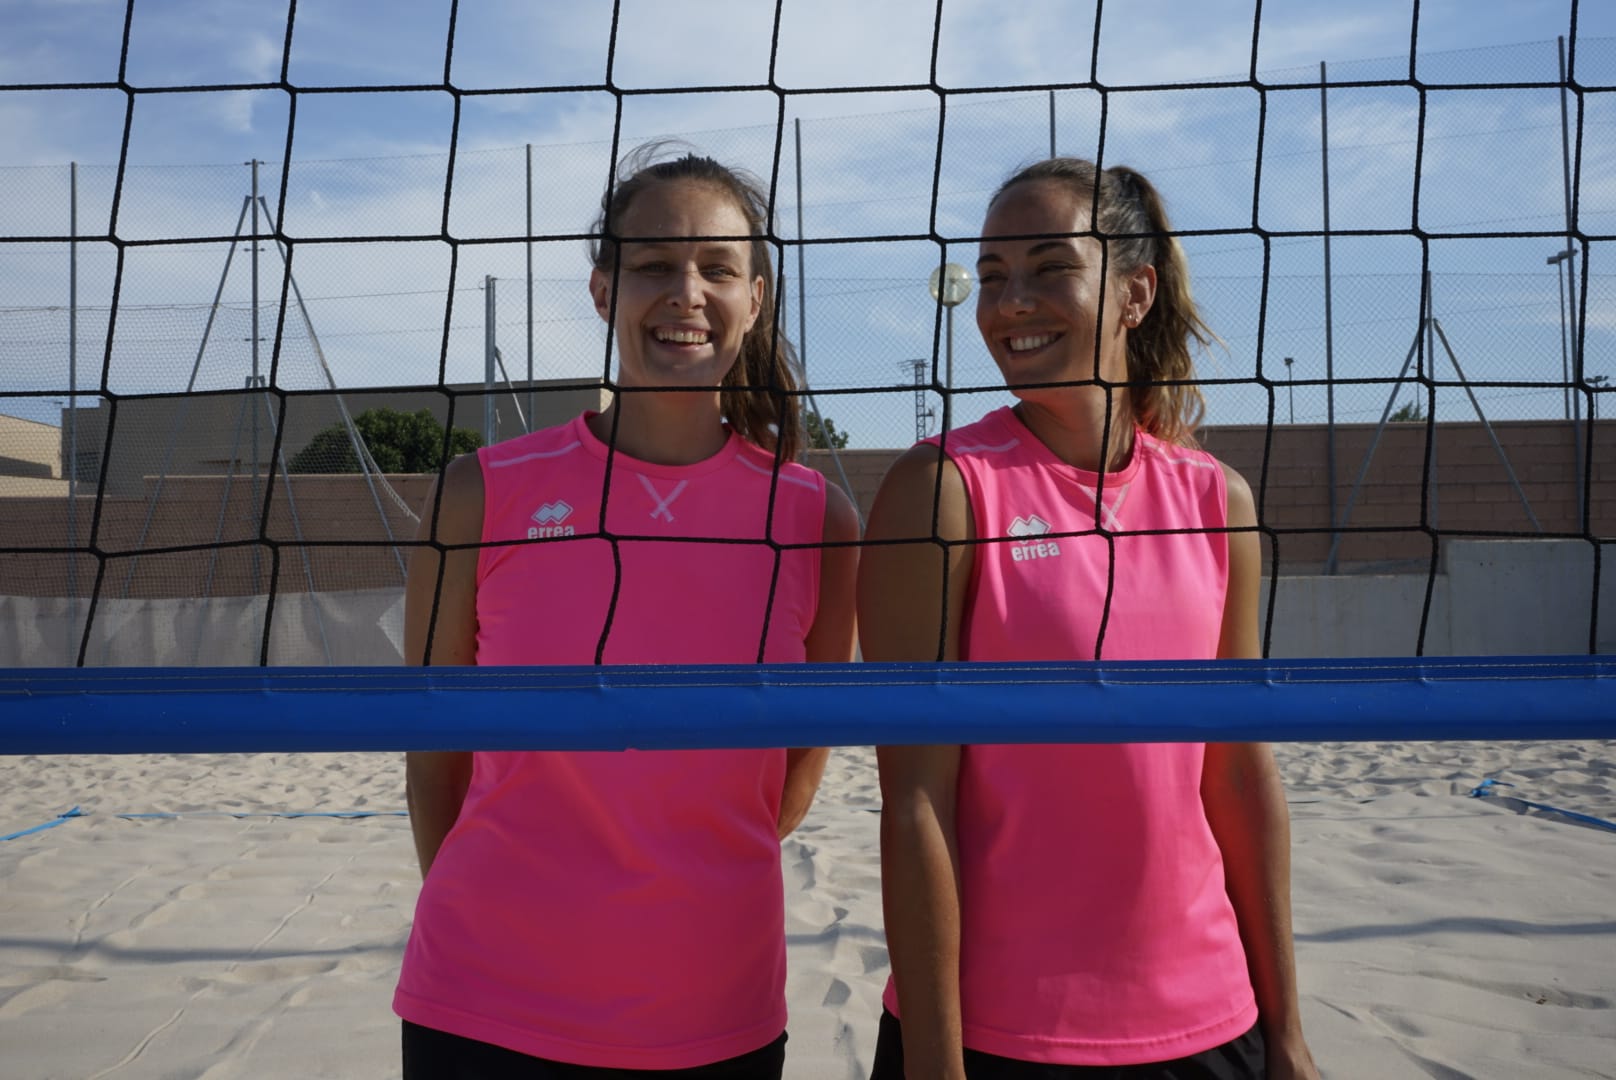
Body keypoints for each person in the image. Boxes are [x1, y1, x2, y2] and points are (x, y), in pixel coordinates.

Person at [393, 146, 859, 1079]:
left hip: (713, 1004)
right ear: (604, 289)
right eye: (653, 265)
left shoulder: (814, 517)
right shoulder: (482, 492)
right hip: (487, 996)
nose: (685, 291)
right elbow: (433, 749)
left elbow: (800, 769)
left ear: (755, 299)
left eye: (718, 268)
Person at [861, 158, 1319, 1080]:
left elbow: (1235, 775)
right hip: (997, 1033)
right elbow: (915, 799)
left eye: (1048, 267)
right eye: (991, 276)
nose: (1010, 303)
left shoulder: (1214, 501)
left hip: (1208, 1018)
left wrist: (1289, 1032)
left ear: (1133, 293)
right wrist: (936, 1064)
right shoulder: (943, 487)